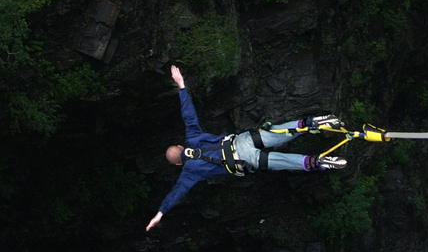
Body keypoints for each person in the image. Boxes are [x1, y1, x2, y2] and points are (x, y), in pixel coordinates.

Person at [145, 64, 345, 231]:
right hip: (243, 141)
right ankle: (309, 123)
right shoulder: (193, 137)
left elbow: (176, 194)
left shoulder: (188, 174)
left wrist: (160, 212)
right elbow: (189, 115)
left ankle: (315, 161)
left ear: (179, 163)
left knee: (281, 161)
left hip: (244, 159)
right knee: (276, 133)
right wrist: (181, 86)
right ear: (181, 146)